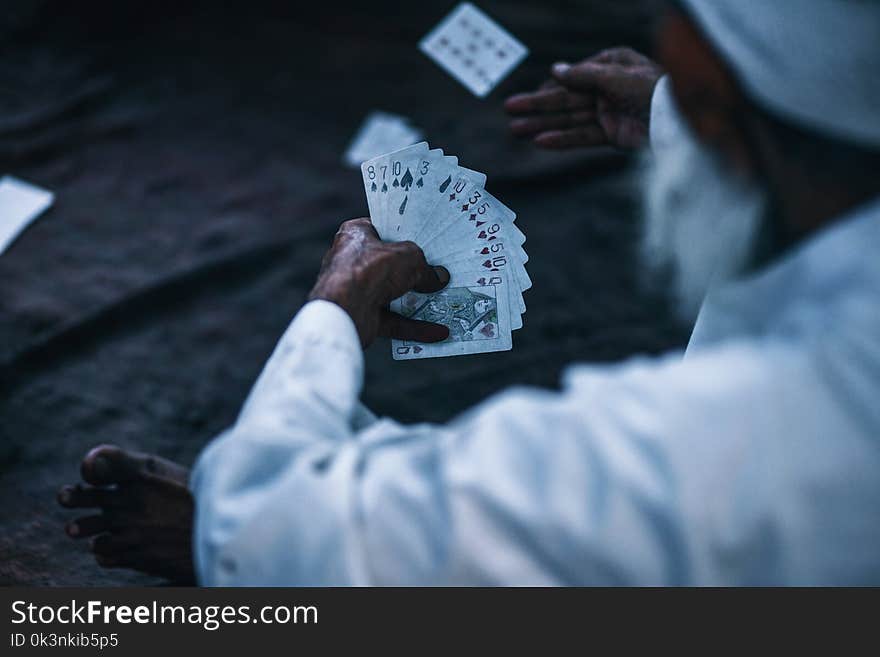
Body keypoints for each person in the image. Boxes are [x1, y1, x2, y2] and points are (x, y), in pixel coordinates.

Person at [59, 0, 880, 585]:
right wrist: (681, 114)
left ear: (704, 78)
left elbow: (264, 518)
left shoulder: (730, 447)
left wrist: (334, 312)